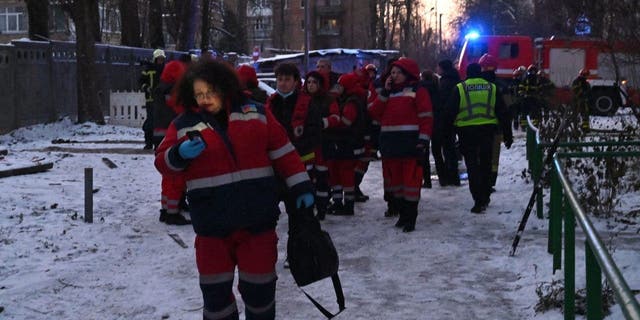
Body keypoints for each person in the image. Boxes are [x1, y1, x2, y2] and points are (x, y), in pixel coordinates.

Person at [154, 60, 315, 320]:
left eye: (211, 90)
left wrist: (301, 186)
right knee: (216, 298)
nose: (206, 98)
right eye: (200, 93)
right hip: (212, 227)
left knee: (260, 291)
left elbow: (284, 152)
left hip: (257, 223)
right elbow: (162, 162)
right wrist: (178, 153)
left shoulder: (257, 113)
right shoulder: (183, 124)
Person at [369, 58, 433, 232]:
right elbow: (373, 112)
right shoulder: (387, 93)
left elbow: (426, 118)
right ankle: (402, 214)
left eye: (397, 72)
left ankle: (410, 217)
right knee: (396, 183)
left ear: (407, 74)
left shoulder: (418, 91)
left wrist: (423, 141)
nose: (393, 75)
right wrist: (384, 93)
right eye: (392, 72)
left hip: (411, 144)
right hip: (390, 145)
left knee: (411, 183)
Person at [446, 63, 512, 214]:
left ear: (467, 74)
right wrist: (507, 134)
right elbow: (503, 112)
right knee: (486, 164)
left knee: (472, 165)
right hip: (487, 131)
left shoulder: (460, 88)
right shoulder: (491, 88)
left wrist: (447, 134)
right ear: (480, 73)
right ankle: (486, 195)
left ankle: (478, 199)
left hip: (466, 132)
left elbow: (449, 112)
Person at [265, 63, 323, 219]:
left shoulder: (307, 103)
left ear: (296, 82)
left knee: (301, 213)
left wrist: (293, 150)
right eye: (280, 79)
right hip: (275, 167)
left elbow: (315, 133)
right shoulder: (270, 103)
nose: (283, 83)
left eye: (287, 79)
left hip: (301, 165)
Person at [153, 53, 192, 225]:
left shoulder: (162, 88)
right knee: (174, 175)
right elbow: (180, 110)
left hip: (162, 134)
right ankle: (171, 211)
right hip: (172, 135)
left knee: (172, 175)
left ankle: (173, 205)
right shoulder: (172, 91)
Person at [323, 72, 367, 216]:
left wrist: (330, 121)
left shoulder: (351, 102)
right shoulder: (348, 99)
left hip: (347, 144)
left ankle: (347, 205)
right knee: (336, 174)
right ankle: (338, 203)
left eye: (340, 85)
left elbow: (346, 122)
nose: (337, 88)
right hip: (342, 143)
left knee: (345, 174)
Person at [303, 70, 337, 220]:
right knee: (308, 176)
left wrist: (323, 123)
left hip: (323, 144)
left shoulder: (328, 100)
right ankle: (308, 207)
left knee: (322, 177)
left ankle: (322, 207)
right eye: (308, 82)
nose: (311, 85)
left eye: (314, 82)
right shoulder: (302, 99)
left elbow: (336, 118)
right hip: (307, 145)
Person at [478, 53, 514, 192]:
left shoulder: (473, 85)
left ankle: (479, 182)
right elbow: (507, 112)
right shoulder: (502, 86)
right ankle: (490, 183)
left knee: (478, 156)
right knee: (493, 159)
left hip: (475, 128)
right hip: (496, 129)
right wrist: (508, 135)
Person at [434, 59, 461, 187]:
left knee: (448, 148)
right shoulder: (456, 79)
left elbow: (442, 101)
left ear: (442, 68)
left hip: (446, 119)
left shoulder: (445, 82)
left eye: (438, 67)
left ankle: (451, 176)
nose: (437, 69)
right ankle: (453, 175)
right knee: (451, 147)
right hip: (457, 118)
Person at [139, 49, 165, 150]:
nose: (160, 62)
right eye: (159, 59)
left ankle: (158, 143)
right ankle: (149, 142)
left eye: (162, 59)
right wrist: (146, 88)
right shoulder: (148, 70)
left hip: (162, 101)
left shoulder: (165, 69)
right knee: (150, 122)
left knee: (159, 123)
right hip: (150, 100)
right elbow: (141, 82)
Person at [419, 69, 440, 189]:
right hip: (436, 122)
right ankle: (443, 177)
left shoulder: (420, 88)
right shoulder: (437, 88)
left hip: (425, 123)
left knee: (424, 153)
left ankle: (427, 180)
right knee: (438, 152)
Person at [571, 68, 592, 133]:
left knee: (585, 115)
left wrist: (587, 96)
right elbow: (575, 90)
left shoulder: (586, 83)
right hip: (577, 102)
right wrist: (582, 93)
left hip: (584, 101)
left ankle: (585, 128)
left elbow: (589, 91)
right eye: (586, 75)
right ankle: (575, 129)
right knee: (575, 116)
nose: (586, 76)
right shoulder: (577, 81)